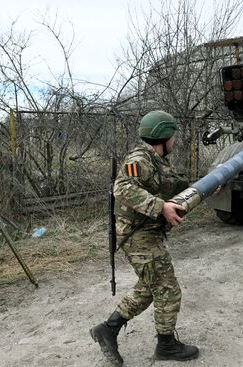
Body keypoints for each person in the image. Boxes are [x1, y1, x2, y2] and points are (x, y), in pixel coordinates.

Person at [90, 110, 199, 366]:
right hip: (138, 236)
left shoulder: (156, 160)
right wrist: (160, 207)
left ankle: (108, 329)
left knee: (151, 287)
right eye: (172, 135)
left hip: (147, 234)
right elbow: (123, 188)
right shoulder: (140, 159)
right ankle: (166, 346)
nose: (175, 140)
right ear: (163, 136)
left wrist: (200, 186)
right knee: (168, 289)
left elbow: (170, 184)